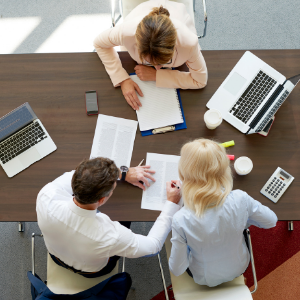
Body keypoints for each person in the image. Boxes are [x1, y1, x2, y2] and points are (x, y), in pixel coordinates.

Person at [36, 157, 181, 278]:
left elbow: (78, 174)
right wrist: (171, 204)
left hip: (56, 255)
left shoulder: (46, 196)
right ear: (101, 200)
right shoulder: (111, 235)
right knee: (125, 215)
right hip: (92, 271)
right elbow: (153, 246)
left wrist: (123, 173)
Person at [168, 139, 278, 287]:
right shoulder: (241, 198)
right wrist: (242, 219)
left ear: (184, 175)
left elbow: (177, 269)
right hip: (240, 266)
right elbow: (271, 221)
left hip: (204, 277)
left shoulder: (180, 219)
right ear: (224, 169)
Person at [94, 0, 207, 111]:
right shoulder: (127, 32)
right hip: (141, 12)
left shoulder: (188, 43)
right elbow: (99, 43)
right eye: (150, 62)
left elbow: (200, 81)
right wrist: (122, 79)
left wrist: (157, 75)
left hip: (177, 13)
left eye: (162, 62)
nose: (157, 67)